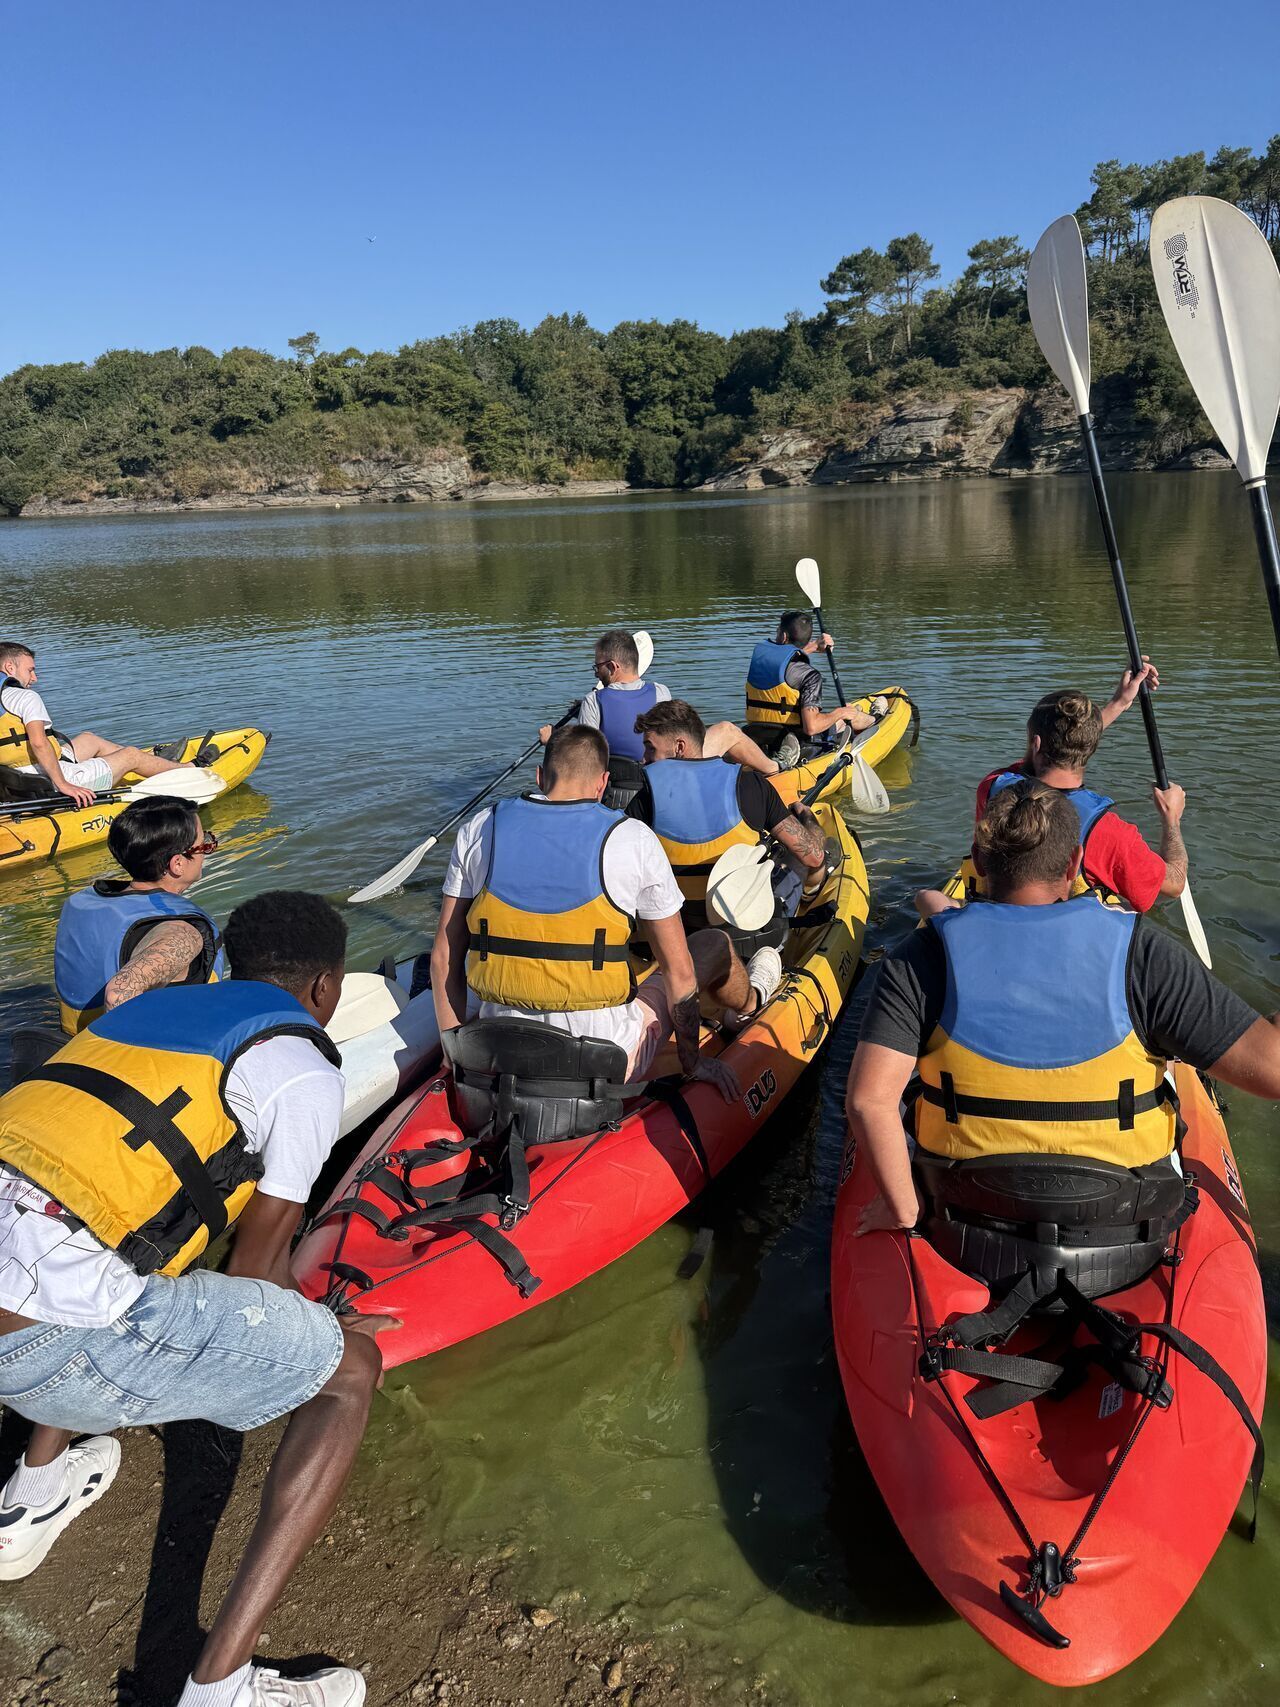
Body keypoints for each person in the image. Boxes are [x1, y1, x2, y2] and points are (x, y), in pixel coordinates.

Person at [0, 891, 393, 1707]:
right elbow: (256, 1267)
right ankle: (220, 1685)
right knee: (349, 1368)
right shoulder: (302, 1063)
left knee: (95, 1244)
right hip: (41, 1347)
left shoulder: (128, 1021)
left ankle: (31, 1497)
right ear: (328, 987)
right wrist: (320, 1324)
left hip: (26, 1273)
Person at [847, 781, 1280, 1240]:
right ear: (1074, 863)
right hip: (1125, 1224)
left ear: (978, 861)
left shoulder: (921, 955)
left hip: (962, 1216)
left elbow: (867, 1102)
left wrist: (903, 1210)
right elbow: (1271, 1072)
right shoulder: (1143, 953)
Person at [431, 724, 782, 1104]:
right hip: (605, 1057)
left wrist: (456, 1058)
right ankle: (748, 1008)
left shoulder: (478, 829)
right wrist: (692, 1063)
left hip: (498, 1045)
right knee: (711, 943)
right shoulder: (632, 838)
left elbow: (444, 957)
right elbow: (680, 975)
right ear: (602, 784)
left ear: (538, 777)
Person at [970, 661, 1185, 912]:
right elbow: (1174, 884)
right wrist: (1171, 820)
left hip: (991, 909)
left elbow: (1056, 749)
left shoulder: (993, 787)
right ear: (1090, 747)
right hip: (1066, 933)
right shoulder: (1109, 833)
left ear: (1036, 744)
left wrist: (1118, 704)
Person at [628, 698, 828, 928]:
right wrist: (807, 818)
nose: (643, 758)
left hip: (678, 928)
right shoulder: (750, 783)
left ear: (680, 747)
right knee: (801, 853)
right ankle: (807, 906)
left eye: (650, 747)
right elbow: (813, 857)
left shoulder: (645, 796)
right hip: (742, 926)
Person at [53, 794, 223, 1033]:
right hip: (121, 1058)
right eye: (204, 844)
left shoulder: (84, 900)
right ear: (178, 864)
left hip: (70, 1037)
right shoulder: (182, 934)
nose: (206, 851)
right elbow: (117, 995)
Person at [540, 628, 800, 780]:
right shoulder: (660, 692)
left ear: (612, 667)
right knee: (727, 730)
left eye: (597, 667)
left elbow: (587, 756)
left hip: (622, 781)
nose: (595, 673)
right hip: (665, 775)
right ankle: (775, 769)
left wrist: (553, 741)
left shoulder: (593, 701)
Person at [0, 640, 197, 809]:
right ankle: (188, 770)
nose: (34, 678)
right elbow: (39, 743)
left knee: (89, 739)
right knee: (131, 755)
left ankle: (155, 763)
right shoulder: (25, 697)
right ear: (10, 668)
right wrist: (64, 784)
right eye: (30, 670)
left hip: (18, 777)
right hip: (47, 781)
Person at [744, 610, 877, 750]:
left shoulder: (760, 660)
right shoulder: (810, 676)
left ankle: (863, 715)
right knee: (849, 713)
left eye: (777, 631)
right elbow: (811, 728)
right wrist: (841, 712)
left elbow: (782, 663)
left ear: (783, 636)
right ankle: (874, 721)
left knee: (847, 710)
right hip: (796, 743)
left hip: (756, 735)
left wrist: (814, 646)